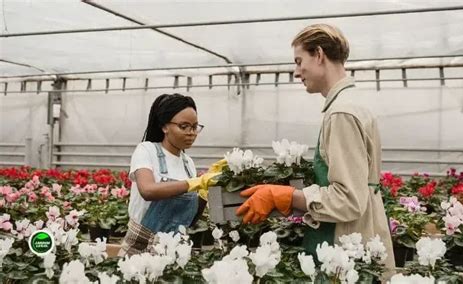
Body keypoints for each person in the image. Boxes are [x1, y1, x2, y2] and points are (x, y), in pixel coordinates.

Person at [236, 24, 395, 274]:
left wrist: (286, 195)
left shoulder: (341, 113)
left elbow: (349, 200)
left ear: (319, 54)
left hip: (344, 246)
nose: (297, 71)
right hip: (361, 236)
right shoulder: (353, 103)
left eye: (300, 61)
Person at [119, 93, 222, 256]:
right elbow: (148, 191)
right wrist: (193, 183)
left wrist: (204, 191)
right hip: (141, 247)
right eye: (184, 126)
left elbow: (190, 219)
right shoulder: (147, 150)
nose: (191, 133)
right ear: (165, 126)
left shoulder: (188, 163)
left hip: (175, 249)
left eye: (195, 127)